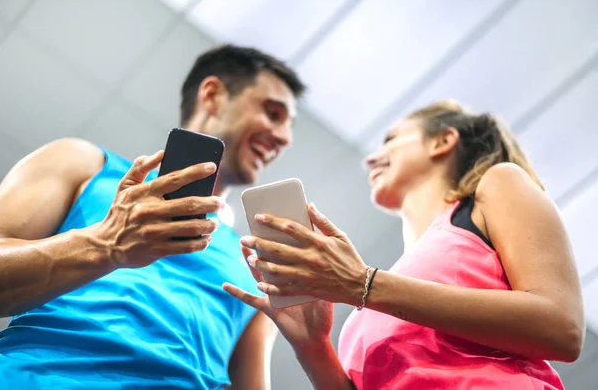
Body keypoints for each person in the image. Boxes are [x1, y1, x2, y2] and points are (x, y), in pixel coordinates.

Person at [0, 44, 305, 389]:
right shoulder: (82, 164)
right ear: (213, 95)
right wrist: (106, 243)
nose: (284, 138)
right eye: (273, 113)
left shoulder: (256, 263)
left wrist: (311, 347)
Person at [225, 100, 585, 389]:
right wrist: (313, 347)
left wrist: (363, 283)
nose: (370, 158)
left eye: (391, 139)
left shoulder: (499, 184)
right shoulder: (377, 298)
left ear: (442, 141)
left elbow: (563, 328)